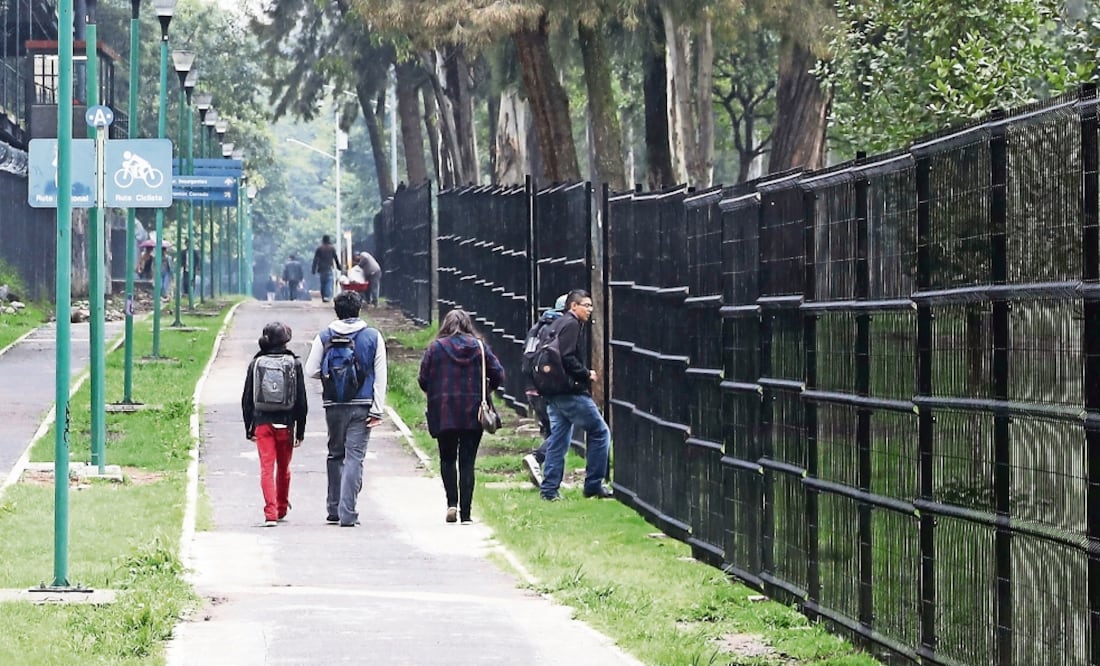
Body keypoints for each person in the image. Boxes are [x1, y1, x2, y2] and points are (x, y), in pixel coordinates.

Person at [304, 291, 388, 527]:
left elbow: (310, 370)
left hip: (334, 404)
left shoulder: (324, 336)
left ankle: (333, 508)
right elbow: (380, 375)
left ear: (337, 310)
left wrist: (330, 377)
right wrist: (377, 409)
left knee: (335, 454)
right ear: (359, 309)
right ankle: (348, 512)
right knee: (354, 458)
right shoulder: (373, 336)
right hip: (361, 405)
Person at [418, 309, 505, 524]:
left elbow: (423, 379)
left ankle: (451, 504)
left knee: (447, 459)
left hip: (444, 411)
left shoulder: (436, 348)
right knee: (468, 462)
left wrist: (437, 391)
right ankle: (466, 514)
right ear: (468, 325)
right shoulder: (479, 347)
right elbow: (499, 374)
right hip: (473, 412)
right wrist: (485, 390)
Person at [538, 289, 612, 501]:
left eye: (590, 306)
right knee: (600, 432)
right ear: (573, 306)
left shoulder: (557, 323)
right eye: (586, 305)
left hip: (553, 391)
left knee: (558, 440)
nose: (590, 310)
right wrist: (585, 373)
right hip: (569, 391)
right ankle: (593, 485)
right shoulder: (571, 324)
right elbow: (567, 356)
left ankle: (549, 490)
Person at [241, 322, 308, 526]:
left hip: (262, 423)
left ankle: (270, 513)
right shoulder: (294, 363)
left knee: (266, 469)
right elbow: (301, 401)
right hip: (286, 424)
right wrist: (300, 431)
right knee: (284, 468)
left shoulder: (256, 363)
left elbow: (247, 399)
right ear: (286, 339)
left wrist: (249, 427)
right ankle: (281, 507)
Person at [521, 294, 572, 489]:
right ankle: (537, 458)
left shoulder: (539, 327)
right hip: (548, 389)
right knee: (561, 434)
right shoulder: (561, 328)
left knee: (552, 432)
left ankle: (552, 479)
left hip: (532, 387)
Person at [312, 234, 342, 303]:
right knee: (329, 282)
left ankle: (323, 296)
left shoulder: (319, 248)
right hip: (329, 268)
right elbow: (335, 258)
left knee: (323, 283)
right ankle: (327, 296)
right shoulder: (332, 248)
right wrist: (339, 267)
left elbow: (315, 260)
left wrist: (313, 269)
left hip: (321, 269)